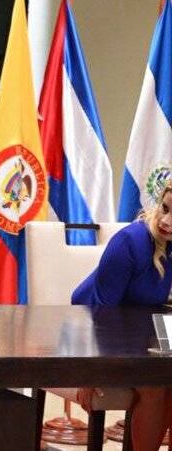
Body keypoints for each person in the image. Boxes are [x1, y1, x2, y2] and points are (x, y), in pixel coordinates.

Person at [72, 181, 172, 451]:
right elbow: (100, 312)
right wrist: (88, 372)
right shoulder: (130, 241)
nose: (166, 221)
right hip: (90, 335)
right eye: (165, 208)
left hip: (139, 341)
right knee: (155, 384)